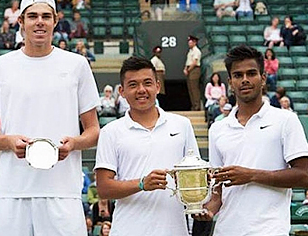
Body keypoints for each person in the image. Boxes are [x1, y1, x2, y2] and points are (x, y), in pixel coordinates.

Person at [0, 0, 100, 235]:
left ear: (55, 21)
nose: (39, 22)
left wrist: (74, 143)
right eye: (32, 16)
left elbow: (93, 130)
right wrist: (8, 141)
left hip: (63, 192)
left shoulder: (77, 65)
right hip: (12, 192)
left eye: (45, 16)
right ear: (20, 22)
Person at [195, 45, 308, 235]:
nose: (245, 80)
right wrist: (208, 210)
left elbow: (304, 175)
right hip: (226, 230)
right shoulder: (217, 128)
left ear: (263, 78)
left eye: (251, 73)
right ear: (230, 82)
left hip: (269, 230)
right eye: (238, 75)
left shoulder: (286, 120)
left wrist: (252, 175)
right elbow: (218, 188)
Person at [94, 56, 199, 235]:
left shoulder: (182, 125)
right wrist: (142, 184)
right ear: (122, 91)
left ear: (157, 86)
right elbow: (104, 188)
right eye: (133, 85)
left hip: (175, 230)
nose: (141, 90)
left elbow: (195, 175)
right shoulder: (110, 132)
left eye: (147, 83)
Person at [184, 35, 202, 111]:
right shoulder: (190, 51)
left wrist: (188, 70)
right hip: (189, 69)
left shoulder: (196, 51)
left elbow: (194, 62)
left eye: (191, 42)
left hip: (194, 69)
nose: (189, 43)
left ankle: (197, 106)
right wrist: (185, 69)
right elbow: (188, 61)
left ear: (195, 42)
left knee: (194, 88)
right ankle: (193, 105)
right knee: (190, 89)